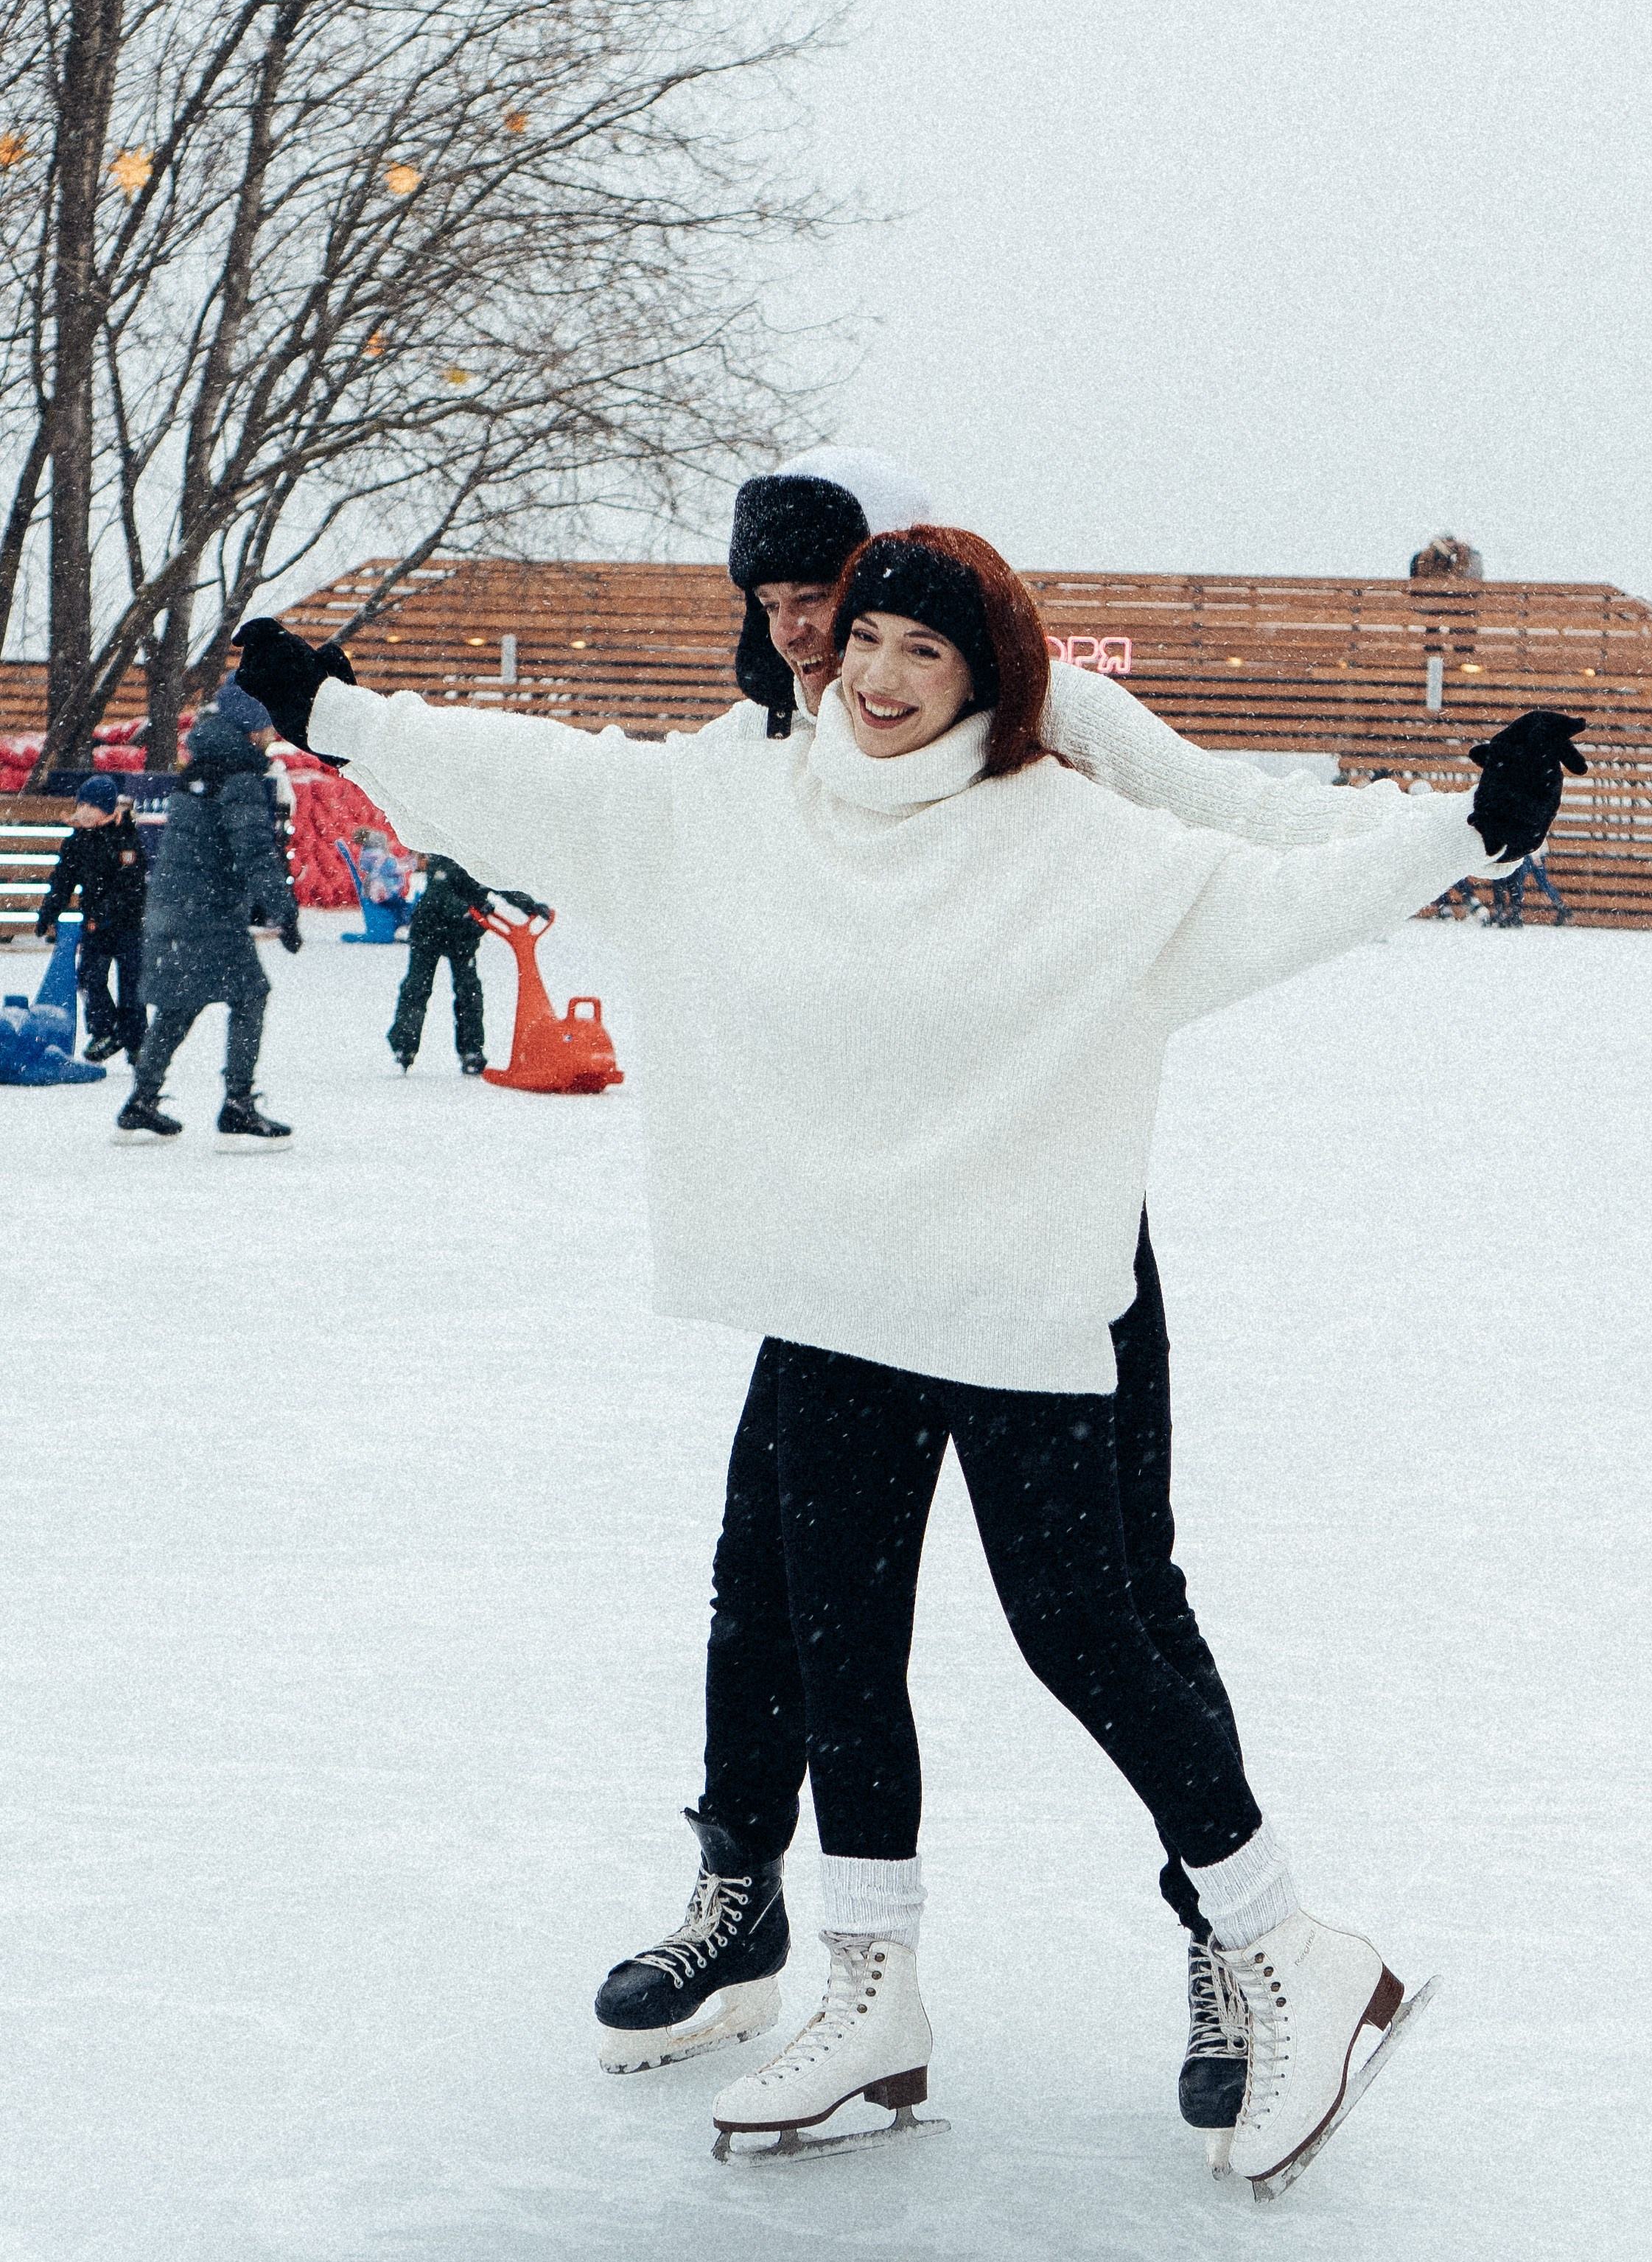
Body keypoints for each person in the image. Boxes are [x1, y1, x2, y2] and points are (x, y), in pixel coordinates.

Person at [234, 541, 1580, 2194]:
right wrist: (343, 715)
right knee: (835, 1633)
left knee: (1084, 1622)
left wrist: (1462, 832)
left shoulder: (1071, 836)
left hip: (1014, 1291)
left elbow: (1260, 890)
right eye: (859, 636)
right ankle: (870, 1986)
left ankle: (1280, 1941)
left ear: (986, 675)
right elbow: (546, 781)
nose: (870, 673)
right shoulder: (745, 800)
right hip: (834, 1292)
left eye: (916, 651)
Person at [588, 452, 1442, 2145]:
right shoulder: (760, 747)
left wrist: (1435, 833)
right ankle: (743, 1893)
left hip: (1049, 1234)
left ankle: (1236, 1937)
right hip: (842, 1243)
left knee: (1106, 1593)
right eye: (772, 605)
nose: (805, 631)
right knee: (774, 1576)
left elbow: (1239, 829)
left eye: (829, 596)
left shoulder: (1036, 718)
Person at [115, 679, 301, 1148]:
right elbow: (254, 853)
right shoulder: (237, 778)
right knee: (251, 995)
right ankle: (238, 1104)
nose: (271, 735)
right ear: (249, 727)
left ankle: (141, 1101)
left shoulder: (199, 769)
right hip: (208, 914)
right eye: (267, 725)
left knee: (179, 1005)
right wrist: (284, 911)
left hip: (173, 906)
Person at [388, 854, 550, 1074]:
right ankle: (404, 1045)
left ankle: (472, 1050)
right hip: (429, 930)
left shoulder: (482, 859)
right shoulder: (445, 857)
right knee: (418, 986)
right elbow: (439, 894)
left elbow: (504, 887)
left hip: (463, 936)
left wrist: (530, 906)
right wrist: (468, 908)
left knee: (469, 991)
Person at [35, 772, 148, 1062]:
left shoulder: (126, 839)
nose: (84, 812)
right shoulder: (77, 842)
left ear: (107, 809)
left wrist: (113, 908)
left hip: (129, 925)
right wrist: (49, 912)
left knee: (132, 985)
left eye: (92, 806)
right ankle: (104, 1029)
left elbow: (131, 884)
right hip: (95, 924)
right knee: (88, 978)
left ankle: (135, 1040)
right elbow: (62, 881)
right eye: (81, 805)